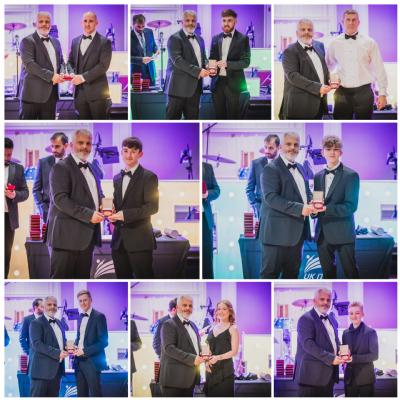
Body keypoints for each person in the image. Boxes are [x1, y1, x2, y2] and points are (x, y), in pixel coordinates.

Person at [46, 129, 104, 279]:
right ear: (71, 145)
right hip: (65, 239)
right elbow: (60, 199)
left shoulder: (92, 167)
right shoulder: (60, 167)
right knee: (61, 278)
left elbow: (97, 193)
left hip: (87, 238)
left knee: (83, 277)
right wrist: (90, 215)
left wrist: (105, 204)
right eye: (80, 143)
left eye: (88, 143)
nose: (85, 147)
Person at [259, 132, 317, 279]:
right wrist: (301, 208)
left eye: (296, 145)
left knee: (292, 275)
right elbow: (271, 198)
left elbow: (306, 193)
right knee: (269, 276)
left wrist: (314, 205)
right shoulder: (270, 169)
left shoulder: (301, 168)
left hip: (297, 236)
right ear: (280, 147)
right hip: (276, 236)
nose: (292, 148)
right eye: (288, 144)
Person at [108, 137, 159, 278]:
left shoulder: (149, 177)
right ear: (121, 153)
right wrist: (111, 214)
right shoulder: (117, 178)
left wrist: (125, 215)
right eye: (125, 151)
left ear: (140, 154)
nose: (128, 155)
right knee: (121, 279)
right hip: (118, 242)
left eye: (133, 151)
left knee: (145, 277)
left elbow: (152, 207)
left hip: (140, 241)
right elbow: (118, 204)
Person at [327, 9, 388, 119]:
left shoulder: (370, 42)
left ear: (358, 22)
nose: (351, 23)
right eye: (348, 20)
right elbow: (328, 65)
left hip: (364, 93)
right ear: (343, 22)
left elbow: (379, 68)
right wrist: (331, 80)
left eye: (354, 20)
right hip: (342, 93)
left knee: (365, 123)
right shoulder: (334, 43)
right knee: (340, 120)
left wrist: (382, 94)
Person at [313, 135, 360, 278]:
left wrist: (327, 209)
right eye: (328, 149)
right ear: (323, 152)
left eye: (335, 149)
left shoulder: (351, 175)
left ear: (341, 152)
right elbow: (317, 200)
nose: (332, 152)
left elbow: (351, 206)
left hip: (343, 233)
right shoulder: (317, 176)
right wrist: (313, 210)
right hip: (322, 234)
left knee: (351, 273)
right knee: (327, 275)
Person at [279, 19, 330, 120]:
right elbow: (293, 76)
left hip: (319, 104)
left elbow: (322, 69)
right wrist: (318, 88)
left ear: (313, 32)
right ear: (297, 33)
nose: (306, 32)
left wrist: (329, 79)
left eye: (309, 29)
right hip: (299, 106)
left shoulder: (320, 46)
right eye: (303, 29)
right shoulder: (290, 50)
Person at [294, 288, 342, 397]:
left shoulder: (332, 319)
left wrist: (343, 352)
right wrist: (331, 358)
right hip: (311, 380)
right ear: (314, 301)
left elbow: (335, 340)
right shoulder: (305, 319)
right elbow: (308, 344)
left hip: (328, 378)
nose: (325, 302)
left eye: (328, 300)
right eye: (322, 299)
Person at [19, 12, 65, 120]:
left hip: (51, 96)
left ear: (51, 24)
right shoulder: (27, 41)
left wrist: (63, 73)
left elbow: (62, 62)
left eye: (47, 21)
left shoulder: (57, 42)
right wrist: (52, 76)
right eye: (41, 21)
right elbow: (30, 65)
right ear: (35, 24)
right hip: (32, 97)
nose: (44, 24)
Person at [67, 11, 112, 119]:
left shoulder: (105, 42)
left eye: (91, 21)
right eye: (85, 21)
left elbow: (103, 66)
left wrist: (82, 77)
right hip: (79, 95)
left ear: (96, 23)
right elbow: (70, 62)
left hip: (98, 94)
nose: (87, 24)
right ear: (81, 23)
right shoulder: (75, 41)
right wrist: (72, 74)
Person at [165, 10, 209, 119]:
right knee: (172, 122)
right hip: (177, 90)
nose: (190, 23)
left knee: (193, 120)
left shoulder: (201, 40)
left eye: (193, 21)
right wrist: (199, 71)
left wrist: (208, 65)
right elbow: (178, 61)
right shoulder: (174, 38)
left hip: (195, 91)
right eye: (187, 20)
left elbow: (203, 58)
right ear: (182, 22)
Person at [159, 295, 205, 397]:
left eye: (190, 306)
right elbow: (169, 348)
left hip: (189, 379)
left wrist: (204, 356)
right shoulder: (168, 324)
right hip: (173, 380)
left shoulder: (193, 325)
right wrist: (193, 359)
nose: (188, 308)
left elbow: (194, 348)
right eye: (184, 305)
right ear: (177, 307)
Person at [209, 9, 251, 119]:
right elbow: (212, 59)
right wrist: (211, 71)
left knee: (234, 117)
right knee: (219, 116)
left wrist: (227, 64)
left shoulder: (243, 39)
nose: (226, 23)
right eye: (224, 20)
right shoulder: (215, 38)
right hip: (217, 84)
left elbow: (245, 62)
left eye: (229, 20)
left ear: (235, 21)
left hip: (234, 84)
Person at [29, 296, 68, 397]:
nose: (52, 307)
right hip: (41, 372)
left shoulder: (59, 322)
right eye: (49, 304)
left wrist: (69, 347)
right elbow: (37, 344)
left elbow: (62, 341)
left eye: (55, 305)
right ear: (44, 307)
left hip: (56, 371)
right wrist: (58, 353)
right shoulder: (36, 323)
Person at [73, 289, 108, 397]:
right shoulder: (80, 317)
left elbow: (104, 342)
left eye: (85, 300)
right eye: (80, 301)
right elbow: (80, 337)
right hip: (79, 362)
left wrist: (84, 351)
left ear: (91, 300)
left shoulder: (99, 316)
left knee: (96, 394)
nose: (83, 303)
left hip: (92, 362)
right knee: (81, 394)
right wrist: (74, 346)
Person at [342, 302, 379, 397]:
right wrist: (342, 355)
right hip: (349, 379)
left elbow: (374, 355)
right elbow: (345, 352)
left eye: (357, 313)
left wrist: (354, 358)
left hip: (365, 379)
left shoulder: (371, 332)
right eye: (351, 313)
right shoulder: (345, 333)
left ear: (362, 314)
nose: (354, 316)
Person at [5, 138, 29, 278]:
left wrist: (15, 194)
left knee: (5, 255)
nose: (6, 158)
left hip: (8, 219)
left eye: (9, 155)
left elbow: (25, 192)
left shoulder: (18, 169)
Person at [204, 300, 239, 397]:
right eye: (219, 309)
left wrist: (217, 357)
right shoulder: (212, 328)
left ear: (230, 311)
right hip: (211, 371)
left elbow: (234, 351)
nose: (221, 311)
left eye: (224, 309)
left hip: (225, 371)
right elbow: (206, 347)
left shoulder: (233, 329)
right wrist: (206, 361)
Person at [33, 132, 69, 222]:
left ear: (66, 146)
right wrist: (42, 207)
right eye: (52, 146)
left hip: (69, 213)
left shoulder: (73, 163)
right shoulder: (43, 163)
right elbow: (36, 189)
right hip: (48, 211)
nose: (53, 150)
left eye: (57, 146)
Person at [246, 134, 280, 218]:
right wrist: (255, 205)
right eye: (265, 147)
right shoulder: (256, 163)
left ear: (278, 147)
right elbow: (249, 189)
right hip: (261, 208)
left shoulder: (285, 164)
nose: (267, 151)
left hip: (280, 209)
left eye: (271, 148)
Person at [202, 162, 220, 279]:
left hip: (205, 218)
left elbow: (217, 190)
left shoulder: (207, 167)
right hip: (191, 217)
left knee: (207, 260)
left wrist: (207, 194)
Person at [131, 14, 159, 86]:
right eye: (138, 26)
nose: (141, 29)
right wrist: (141, 60)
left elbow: (154, 45)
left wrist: (156, 50)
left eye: (143, 26)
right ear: (133, 24)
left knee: (152, 92)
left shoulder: (149, 32)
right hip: (137, 74)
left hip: (150, 72)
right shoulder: (129, 36)